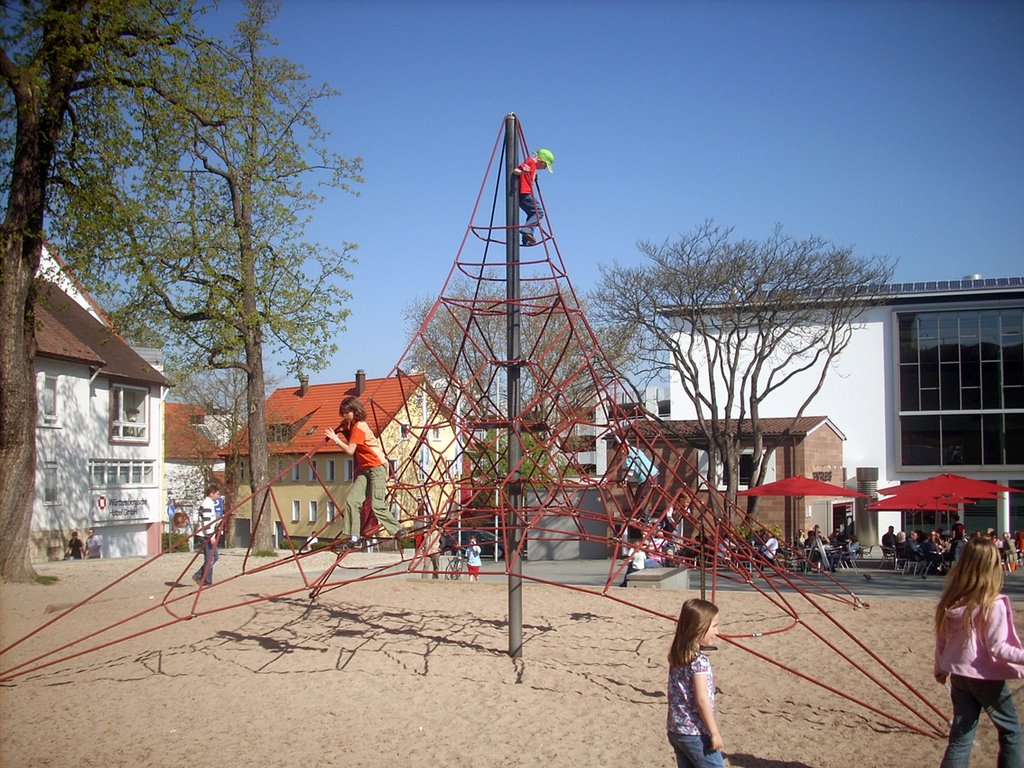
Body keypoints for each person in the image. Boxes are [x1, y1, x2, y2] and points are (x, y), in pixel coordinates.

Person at [933, 537, 1024, 768]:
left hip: (959, 676)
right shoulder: (992, 604)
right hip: (985, 677)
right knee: (1011, 731)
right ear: (992, 568)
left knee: (961, 736)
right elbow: (998, 648)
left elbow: (942, 640)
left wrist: (940, 667)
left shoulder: (953, 600)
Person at [324, 396, 402, 549]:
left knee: (377, 504)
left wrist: (336, 439)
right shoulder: (353, 427)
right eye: (343, 413)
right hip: (365, 469)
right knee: (352, 501)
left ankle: (397, 529)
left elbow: (350, 450)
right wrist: (342, 431)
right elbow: (354, 442)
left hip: (377, 468)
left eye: (347, 413)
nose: (344, 416)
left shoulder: (359, 428)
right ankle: (354, 536)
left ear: (355, 411)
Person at [666, 598, 726, 768]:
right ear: (699, 628)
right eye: (714, 626)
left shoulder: (678, 656)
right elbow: (701, 701)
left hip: (676, 729)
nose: (718, 632)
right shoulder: (699, 662)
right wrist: (714, 733)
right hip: (695, 732)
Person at [511, 148, 554, 247]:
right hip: (525, 193)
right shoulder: (530, 161)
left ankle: (526, 238)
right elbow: (516, 170)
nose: (544, 168)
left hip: (524, 193)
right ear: (541, 161)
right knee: (539, 212)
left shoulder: (533, 166)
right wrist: (523, 172)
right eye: (545, 166)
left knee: (532, 214)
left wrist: (533, 175)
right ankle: (526, 230)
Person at [192, 483, 221, 586]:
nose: (218, 496)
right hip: (205, 535)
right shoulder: (207, 504)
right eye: (217, 494)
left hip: (207, 534)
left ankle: (200, 575)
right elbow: (206, 521)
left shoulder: (209, 503)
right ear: (211, 493)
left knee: (215, 556)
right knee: (210, 558)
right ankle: (205, 579)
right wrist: (210, 536)